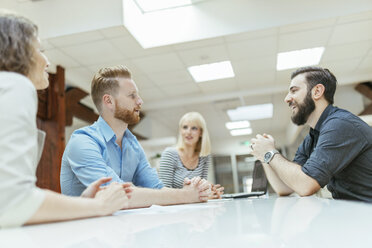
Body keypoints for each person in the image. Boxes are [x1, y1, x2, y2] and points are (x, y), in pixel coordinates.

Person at [0, 10, 132, 228]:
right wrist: (100, 206)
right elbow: (12, 202)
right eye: (40, 50)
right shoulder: (16, 85)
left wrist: (79, 204)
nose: (47, 61)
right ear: (19, 51)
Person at [60, 65, 210, 207]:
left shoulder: (132, 144)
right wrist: (186, 196)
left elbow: (157, 189)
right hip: (84, 232)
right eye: (132, 96)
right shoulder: (82, 142)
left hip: (119, 229)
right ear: (109, 101)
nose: (140, 101)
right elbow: (120, 196)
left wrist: (196, 192)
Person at [250, 66, 372, 202]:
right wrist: (264, 156)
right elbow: (286, 188)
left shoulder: (339, 125)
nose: (287, 99)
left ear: (317, 91)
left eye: (294, 91)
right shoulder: (313, 136)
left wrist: (270, 152)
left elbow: (305, 185)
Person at [159, 112, 224, 199]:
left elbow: (201, 189)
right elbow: (163, 193)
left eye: (194, 128)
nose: (188, 132)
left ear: (201, 132)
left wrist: (210, 193)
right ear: (180, 131)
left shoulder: (204, 157)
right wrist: (193, 196)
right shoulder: (170, 154)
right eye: (185, 127)